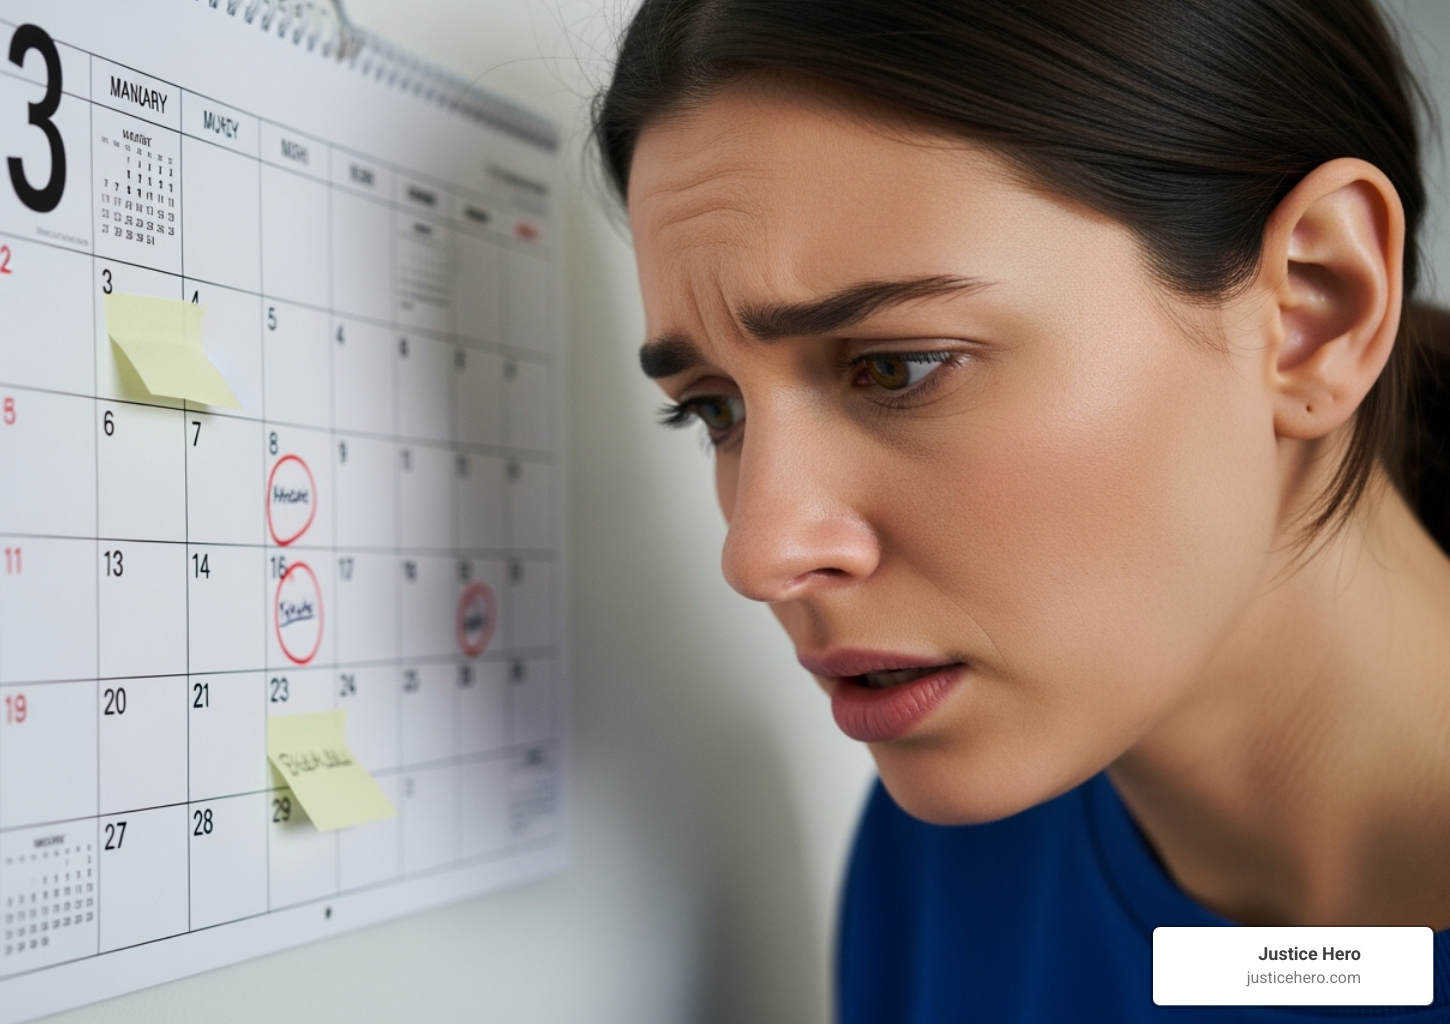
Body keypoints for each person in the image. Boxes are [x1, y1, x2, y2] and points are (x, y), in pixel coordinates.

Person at [592, 0, 1450, 1019]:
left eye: (898, 367)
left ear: (1316, 305)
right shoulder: (951, 849)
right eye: (714, 410)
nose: (760, 551)